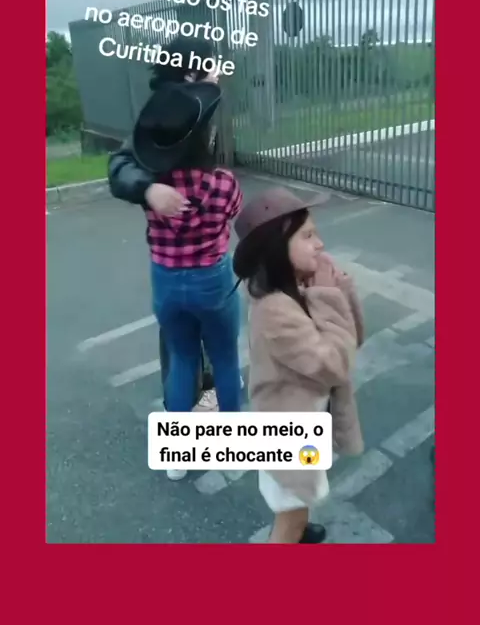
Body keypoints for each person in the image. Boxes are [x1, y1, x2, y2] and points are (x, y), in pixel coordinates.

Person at [117, 74, 243, 480]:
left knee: (183, 359)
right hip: (213, 280)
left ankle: (177, 458)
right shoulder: (224, 183)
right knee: (224, 358)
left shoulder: (153, 188)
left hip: (167, 281)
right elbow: (233, 213)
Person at [232, 187, 365, 544]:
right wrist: (328, 297)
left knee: (299, 501)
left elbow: (353, 338)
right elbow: (335, 364)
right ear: (277, 249)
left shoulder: (296, 288)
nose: (319, 244)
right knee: (289, 517)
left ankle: (301, 529)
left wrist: (338, 289)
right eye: (307, 236)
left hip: (304, 424)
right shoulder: (275, 310)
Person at [108, 35, 219, 411]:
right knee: (180, 340)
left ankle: (207, 392)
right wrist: (148, 189)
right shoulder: (164, 113)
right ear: (191, 74)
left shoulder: (200, 104)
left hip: (209, 251)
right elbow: (121, 164)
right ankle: (182, 413)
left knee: (209, 331)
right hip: (173, 257)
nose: (218, 71)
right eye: (211, 64)